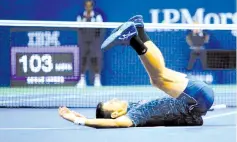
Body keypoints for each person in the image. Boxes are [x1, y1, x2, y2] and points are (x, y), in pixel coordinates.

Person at [59, 15, 214, 128]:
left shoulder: (133, 107)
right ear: (115, 114)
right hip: (197, 100)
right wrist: (80, 120)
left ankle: (139, 31)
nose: (113, 99)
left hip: (196, 97)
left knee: (157, 78)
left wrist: (84, 117)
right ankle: (133, 38)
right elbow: (115, 123)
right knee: (158, 78)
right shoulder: (134, 115)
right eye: (111, 104)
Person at [76, 0, 104, 88]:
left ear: (92, 6)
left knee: (95, 59)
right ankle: (82, 79)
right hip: (84, 41)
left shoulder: (97, 16)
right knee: (83, 59)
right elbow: (79, 28)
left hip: (94, 41)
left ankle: (97, 79)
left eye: (90, 6)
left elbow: (100, 28)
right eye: (86, 6)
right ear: (85, 6)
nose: (88, 7)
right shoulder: (80, 17)